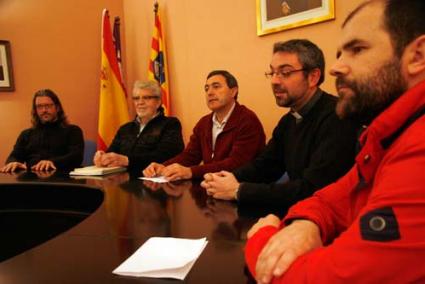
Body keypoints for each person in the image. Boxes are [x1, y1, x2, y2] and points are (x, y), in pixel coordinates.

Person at [245, 0, 425, 283]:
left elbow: (320, 278)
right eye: (340, 53)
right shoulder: (387, 134)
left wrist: (263, 235)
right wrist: (308, 221)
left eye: (357, 49)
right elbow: (334, 197)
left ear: (418, 56)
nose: (336, 67)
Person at [201, 40, 359, 206]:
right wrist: (226, 178)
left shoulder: (338, 116)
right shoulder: (288, 121)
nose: (274, 81)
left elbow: (313, 190)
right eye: (272, 73)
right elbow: (266, 165)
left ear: (313, 77)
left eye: (285, 72)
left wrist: (239, 190)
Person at [143, 70, 265, 181]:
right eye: (206, 89)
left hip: (242, 190)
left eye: (216, 87)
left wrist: (191, 172)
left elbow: (235, 164)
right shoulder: (204, 123)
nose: (210, 93)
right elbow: (190, 156)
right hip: (212, 187)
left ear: (233, 91)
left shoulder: (247, 120)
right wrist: (164, 166)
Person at [94, 80, 184, 174]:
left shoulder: (171, 124)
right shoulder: (125, 129)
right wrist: (103, 158)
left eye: (146, 98)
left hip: (153, 181)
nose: (140, 102)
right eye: (136, 98)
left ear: (158, 102)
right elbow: (112, 152)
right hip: (123, 183)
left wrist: (127, 160)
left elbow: (166, 155)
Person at [0, 89, 84, 173]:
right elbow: (14, 156)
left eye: (48, 106)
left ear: (57, 108)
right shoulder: (26, 134)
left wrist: (52, 162)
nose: (44, 110)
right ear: (35, 110)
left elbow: (76, 157)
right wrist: (13, 162)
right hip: (32, 180)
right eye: (39, 107)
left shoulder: (73, 131)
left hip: (63, 179)